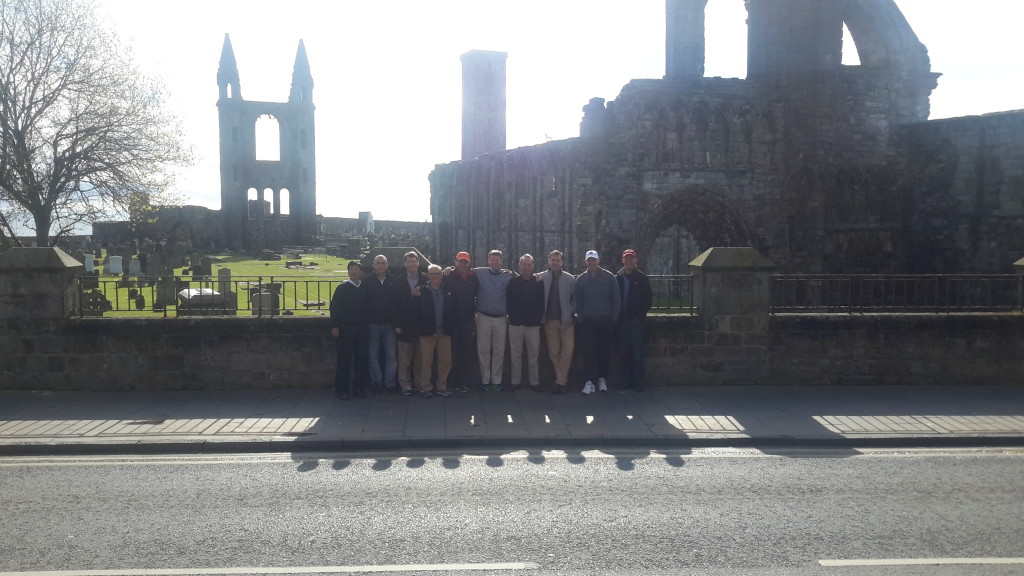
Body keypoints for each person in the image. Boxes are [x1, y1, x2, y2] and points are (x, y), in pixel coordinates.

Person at [574, 249, 621, 395]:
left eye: (594, 259)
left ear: (598, 260)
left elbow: (616, 299)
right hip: (588, 321)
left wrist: (613, 318)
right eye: (589, 260)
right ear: (585, 261)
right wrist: (581, 317)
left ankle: (602, 379)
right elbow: (578, 301)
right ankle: (589, 381)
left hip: (605, 320)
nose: (592, 262)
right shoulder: (581, 279)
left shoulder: (609, 278)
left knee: (604, 351)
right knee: (588, 352)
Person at [470, 250, 514, 391]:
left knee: (499, 351)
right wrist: (448, 269)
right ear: (488, 261)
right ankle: (485, 380)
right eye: (492, 260)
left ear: (501, 261)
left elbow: (524, 278)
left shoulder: (508, 276)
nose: (495, 262)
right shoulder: (479, 272)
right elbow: (463, 269)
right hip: (483, 317)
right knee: (483, 350)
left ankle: (496, 381)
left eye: (497, 260)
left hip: (501, 318)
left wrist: (538, 276)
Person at [413, 264, 455, 398]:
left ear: (442, 274)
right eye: (432, 274)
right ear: (428, 275)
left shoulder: (448, 288)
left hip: (445, 329)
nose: (435, 276)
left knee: (445, 360)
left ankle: (441, 385)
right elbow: (416, 311)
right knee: (426, 361)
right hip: (427, 331)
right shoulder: (422, 290)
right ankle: (425, 387)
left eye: (437, 274)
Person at [330, 260, 369, 400]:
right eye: (351, 269)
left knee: (361, 360)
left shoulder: (364, 287)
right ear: (348, 272)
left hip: (361, 329)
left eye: (356, 269)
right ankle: (342, 390)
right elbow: (334, 308)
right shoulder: (342, 288)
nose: (354, 271)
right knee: (344, 361)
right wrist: (334, 326)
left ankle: (358, 388)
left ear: (361, 272)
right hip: (345, 328)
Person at [539, 250, 576, 394]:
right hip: (550, 320)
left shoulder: (570, 279)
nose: (555, 262)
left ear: (562, 262)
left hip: (566, 321)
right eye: (553, 260)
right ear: (548, 262)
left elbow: (576, 298)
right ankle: (562, 381)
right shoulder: (542, 277)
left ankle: (560, 380)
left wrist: (570, 311)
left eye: (557, 260)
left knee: (568, 350)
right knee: (553, 352)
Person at [506, 253, 545, 391]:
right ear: (520, 265)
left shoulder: (538, 282)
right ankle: (515, 382)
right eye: (524, 264)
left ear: (533, 266)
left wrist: (537, 317)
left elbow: (542, 302)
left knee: (533, 354)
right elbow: (508, 301)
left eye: (529, 265)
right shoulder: (513, 282)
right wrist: (512, 315)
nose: (527, 267)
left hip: (533, 324)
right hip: (516, 323)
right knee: (515, 354)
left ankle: (534, 382)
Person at [616, 249, 653, 392]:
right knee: (623, 352)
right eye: (626, 258)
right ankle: (625, 381)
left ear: (636, 260)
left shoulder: (642, 278)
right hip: (621, 321)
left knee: (637, 353)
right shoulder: (617, 277)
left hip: (635, 322)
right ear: (622, 260)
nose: (629, 261)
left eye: (631, 258)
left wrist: (639, 317)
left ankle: (638, 382)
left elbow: (647, 299)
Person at [444, 251, 480, 393]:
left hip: (467, 321)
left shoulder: (474, 278)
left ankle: (464, 381)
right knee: (451, 353)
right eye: (460, 261)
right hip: (452, 322)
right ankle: (451, 381)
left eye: (465, 262)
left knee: (466, 352)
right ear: (455, 262)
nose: (463, 264)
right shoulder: (448, 276)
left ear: (469, 263)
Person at [365, 254, 400, 394]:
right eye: (378, 263)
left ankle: (390, 383)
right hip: (373, 324)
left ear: (387, 265)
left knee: (391, 356)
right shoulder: (367, 282)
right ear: (373, 266)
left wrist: (397, 322)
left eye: (383, 263)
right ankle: (377, 382)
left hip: (390, 324)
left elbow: (397, 304)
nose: (380, 265)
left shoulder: (394, 280)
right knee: (373, 355)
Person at [395, 251, 427, 396]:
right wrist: (397, 324)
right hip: (404, 324)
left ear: (418, 263)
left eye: (414, 261)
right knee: (405, 359)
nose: (412, 264)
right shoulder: (399, 281)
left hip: (420, 324)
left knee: (420, 359)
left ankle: (419, 383)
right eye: (409, 261)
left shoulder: (425, 279)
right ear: (405, 263)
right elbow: (395, 304)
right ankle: (405, 384)